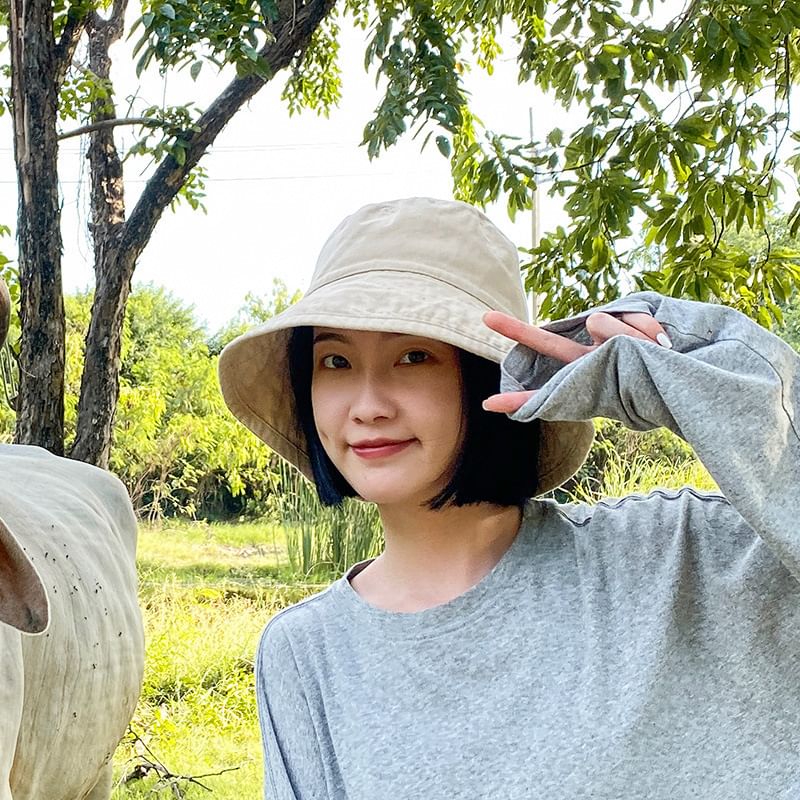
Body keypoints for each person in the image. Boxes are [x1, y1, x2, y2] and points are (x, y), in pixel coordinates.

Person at [218, 197, 799, 800]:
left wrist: (697, 365)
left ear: (483, 372)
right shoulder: (306, 653)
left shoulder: (678, 560)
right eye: (335, 361)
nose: (367, 405)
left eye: (413, 356)